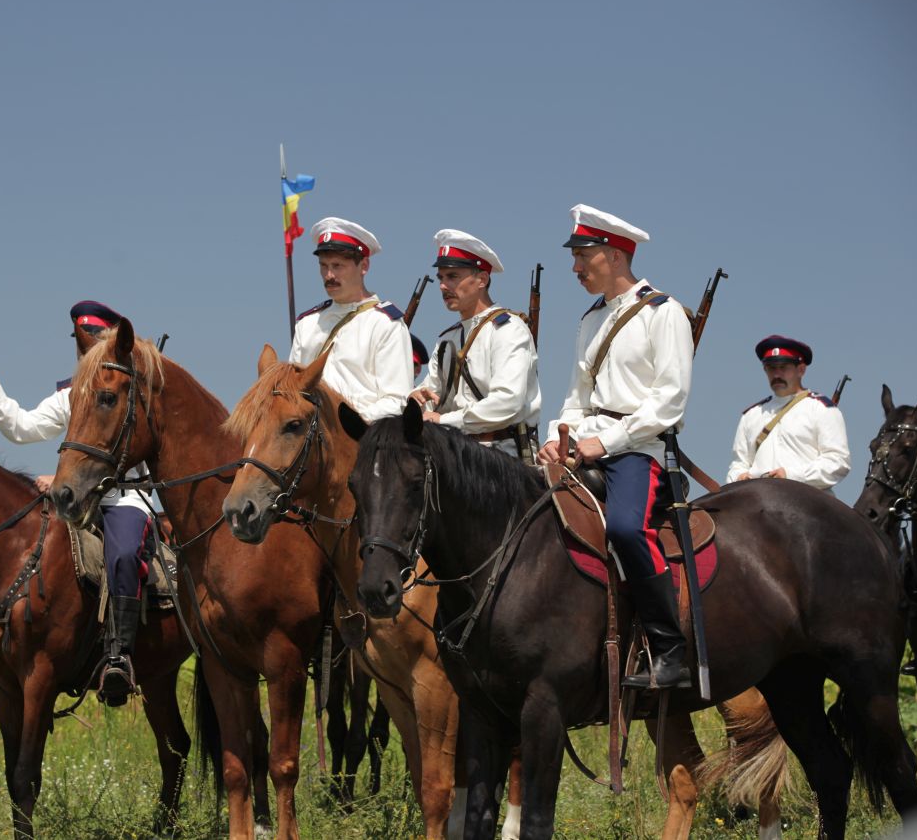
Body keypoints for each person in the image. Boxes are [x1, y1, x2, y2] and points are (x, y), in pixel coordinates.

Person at [536, 204, 693, 690]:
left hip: (637, 450)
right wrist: (554, 438)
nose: (576, 268)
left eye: (583, 256)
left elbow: (669, 401)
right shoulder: (590, 320)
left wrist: (602, 442)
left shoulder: (664, 313)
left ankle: (670, 650)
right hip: (585, 445)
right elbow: (576, 396)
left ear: (616, 254)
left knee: (626, 529)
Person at [0, 300, 153, 706]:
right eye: (79, 339)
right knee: (18, 551)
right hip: (76, 503)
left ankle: (118, 655)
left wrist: (64, 479)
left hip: (123, 498)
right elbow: (21, 427)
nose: (83, 346)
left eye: (92, 338)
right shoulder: (70, 396)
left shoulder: (132, 385)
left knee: (122, 556)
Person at [409, 229, 541, 459]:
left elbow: (507, 402)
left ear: (481, 279)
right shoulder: (447, 338)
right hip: (453, 454)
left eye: (452, 276)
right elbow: (432, 394)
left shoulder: (508, 330)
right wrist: (416, 401)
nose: (442, 286)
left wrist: (444, 420)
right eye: (441, 278)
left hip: (501, 454)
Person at [288, 217, 414, 422]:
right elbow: (293, 391)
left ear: (364, 265)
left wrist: (344, 424)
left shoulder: (385, 324)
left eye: (337, 266)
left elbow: (396, 400)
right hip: (310, 442)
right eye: (324, 266)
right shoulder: (307, 324)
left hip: (363, 440)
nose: (329, 275)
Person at [726, 335, 850, 492]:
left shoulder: (822, 409)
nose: (777, 375)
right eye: (771, 368)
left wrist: (791, 475)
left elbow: (838, 461)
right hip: (755, 502)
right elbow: (739, 463)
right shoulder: (751, 415)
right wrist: (739, 477)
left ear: (801, 369)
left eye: (783, 368)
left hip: (806, 503)